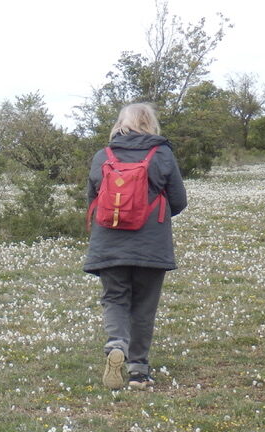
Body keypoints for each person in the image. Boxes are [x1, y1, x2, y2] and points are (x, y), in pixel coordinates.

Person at [84, 102, 187, 391]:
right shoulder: (162, 154)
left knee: (115, 298)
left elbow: (93, 199)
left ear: (122, 123)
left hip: (109, 243)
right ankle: (139, 371)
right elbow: (179, 201)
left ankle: (117, 343)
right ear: (150, 123)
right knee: (144, 306)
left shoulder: (103, 155)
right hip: (151, 245)